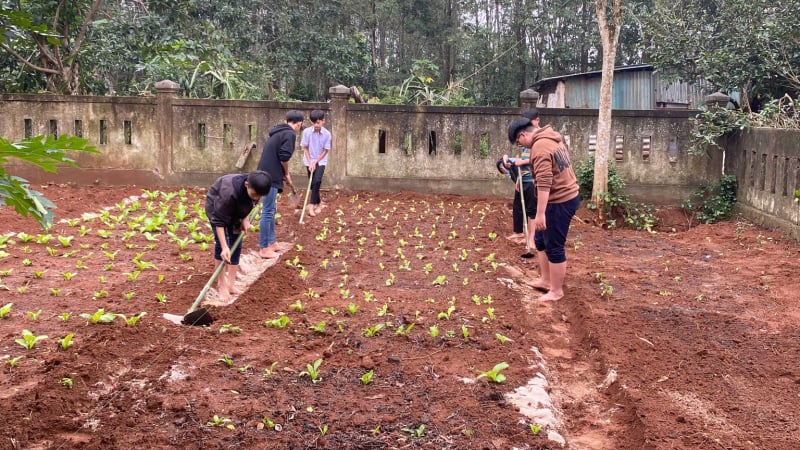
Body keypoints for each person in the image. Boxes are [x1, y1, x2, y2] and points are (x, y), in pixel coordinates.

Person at [507, 117, 581, 302]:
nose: (521, 145)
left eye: (519, 142)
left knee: (554, 245)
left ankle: (556, 290)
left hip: (559, 201)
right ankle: (545, 280)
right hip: (561, 198)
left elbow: (545, 182)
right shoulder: (551, 138)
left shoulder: (540, 147)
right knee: (540, 240)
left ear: (523, 134)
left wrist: (540, 214)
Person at [205, 171, 272, 302]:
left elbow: (251, 203)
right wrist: (225, 247)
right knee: (222, 247)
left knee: (237, 241)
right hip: (217, 210)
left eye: (259, 196)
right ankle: (222, 285)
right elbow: (219, 222)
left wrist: (245, 219)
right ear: (246, 185)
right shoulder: (228, 193)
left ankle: (230, 284)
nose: (256, 197)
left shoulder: (256, 189)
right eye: (254, 194)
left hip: (237, 209)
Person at [257, 110, 304, 259]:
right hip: (269, 176)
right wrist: (287, 174)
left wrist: (282, 174)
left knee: (271, 209)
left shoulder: (278, 132)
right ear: (299, 124)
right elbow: (284, 158)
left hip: (268, 173)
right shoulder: (289, 134)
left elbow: (278, 155)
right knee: (268, 211)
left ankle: (272, 242)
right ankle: (264, 248)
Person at [300, 109, 332, 217]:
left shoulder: (327, 134)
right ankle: (319, 203)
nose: (316, 125)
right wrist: (310, 162)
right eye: (314, 123)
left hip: (321, 160)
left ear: (323, 121)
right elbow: (305, 148)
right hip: (308, 160)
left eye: (318, 122)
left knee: (317, 180)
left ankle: (312, 205)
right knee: (312, 184)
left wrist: (316, 162)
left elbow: (325, 150)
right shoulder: (306, 132)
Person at [496, 158, 524, 243]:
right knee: (517, 208)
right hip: (520, 187)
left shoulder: (510, 163)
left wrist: (504, 161)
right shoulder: (509, 172)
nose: (503, 168)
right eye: (500, 168)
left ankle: (527, 234)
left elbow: (505, 156)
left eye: (502, 166)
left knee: (527, 209)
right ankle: (519, 232)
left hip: (525, 184)